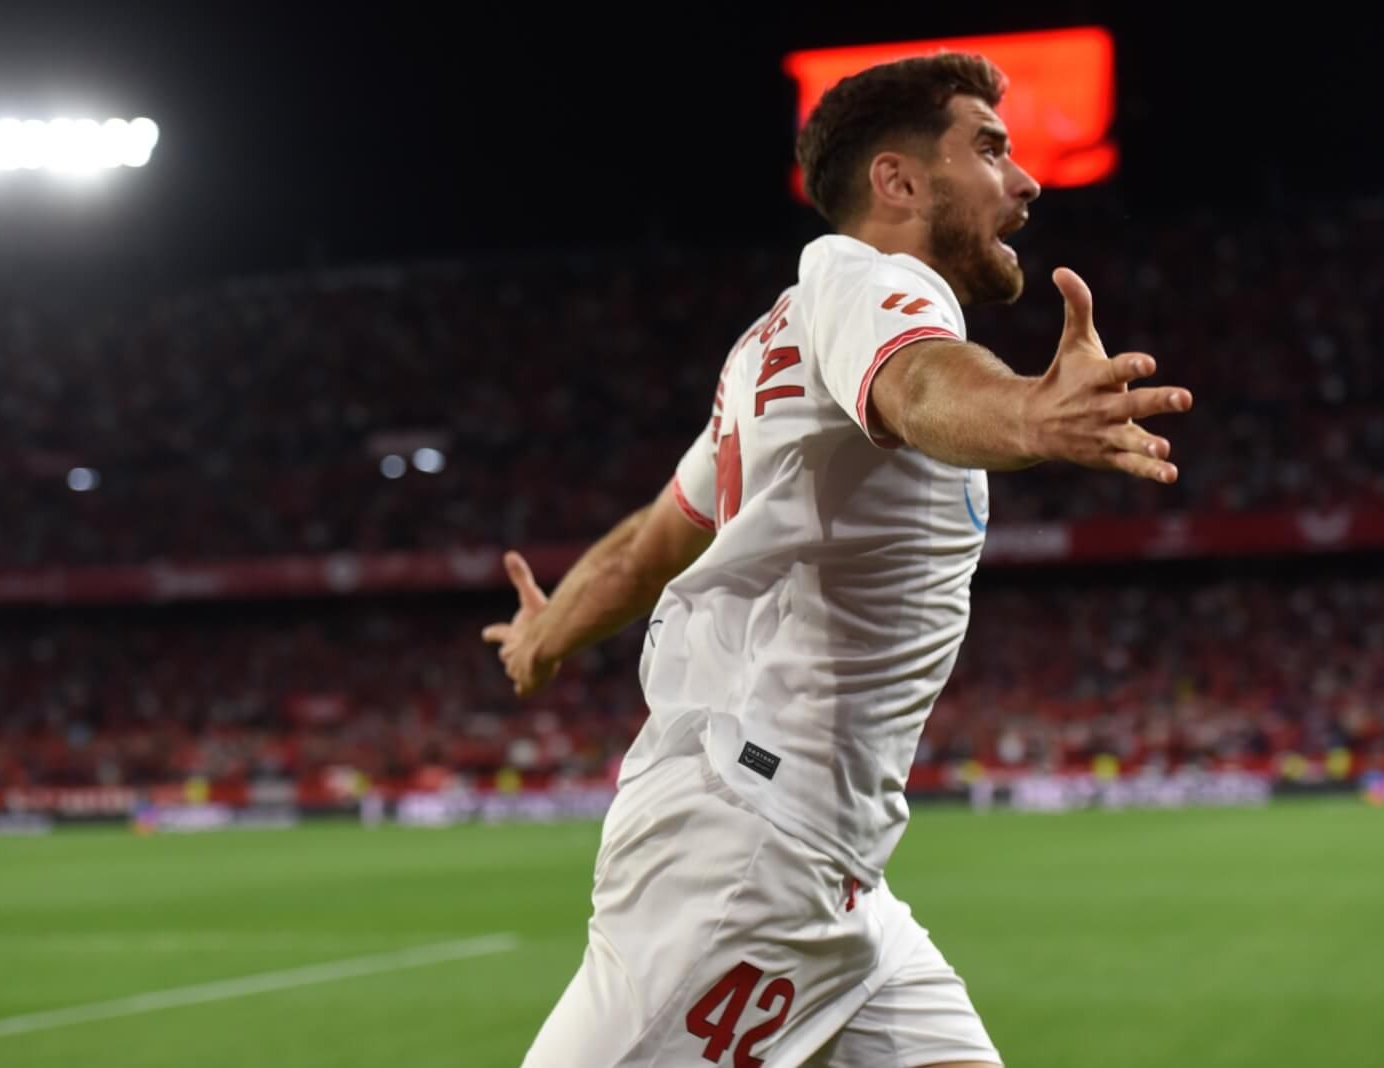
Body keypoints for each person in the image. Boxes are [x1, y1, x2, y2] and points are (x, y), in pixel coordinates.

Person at [482, 51, 1191, 1067]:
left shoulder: (769, 347)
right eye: (989, 149)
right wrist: (1029, 412)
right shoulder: (869, 284)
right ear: (897, 181)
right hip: (749, 862)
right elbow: (918, 385)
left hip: (834, 870)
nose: (1025, 181)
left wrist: (550, 632)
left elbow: (656, 541)